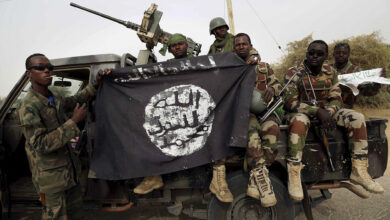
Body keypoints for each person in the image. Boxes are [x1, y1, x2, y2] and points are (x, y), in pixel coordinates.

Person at [283, 40, 384, 201]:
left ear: (326, 56)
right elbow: (290, 102)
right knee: (299, 122)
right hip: (301, 112)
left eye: (319, 53)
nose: (314, 56)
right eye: (311, 53)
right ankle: (294, 174)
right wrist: (318, 112)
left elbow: (336, 98)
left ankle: (359, 170)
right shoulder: (294, 72)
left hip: (327, 112)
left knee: (357, 117)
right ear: (306, 54)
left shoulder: (331, 72)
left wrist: (328, 112)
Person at [19, 53, 108, 219]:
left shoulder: (54, 97)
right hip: (51, 181)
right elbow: (40, 144)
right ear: (29, 74)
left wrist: (96, 83)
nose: (47, 71)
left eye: (49, 68)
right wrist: (73, 122)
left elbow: (76, 99)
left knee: (76, 214)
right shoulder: (29, 106)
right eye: (40, 68)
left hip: (68, 173)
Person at [133, 33, 192, 195]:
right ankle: (153, 176)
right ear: (170, 49)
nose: (178, 47)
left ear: (186, 45)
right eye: (174, 45)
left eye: (180, 43)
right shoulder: (166, 67)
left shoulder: (199, 62)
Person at [233, 33, 282, 207]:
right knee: (252, 136)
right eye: (237, 45)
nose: (240, 47)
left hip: (266, 111)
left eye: (243, 44)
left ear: (250, 45)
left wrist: (272, 89)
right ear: (234, 48)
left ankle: (256, 179)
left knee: (272, 133)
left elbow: (277, 84)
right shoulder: (230, 69)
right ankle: (262, 181)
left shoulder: (263, 67)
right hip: (244, 114)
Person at [332, 42, 382, 108]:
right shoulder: (328, 69)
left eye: (344, 53)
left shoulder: (356, 71)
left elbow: (366, 92)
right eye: (338, 52)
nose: (341, 55)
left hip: (346, 108)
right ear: (333, 54)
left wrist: (376, 84)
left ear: (348, 54)